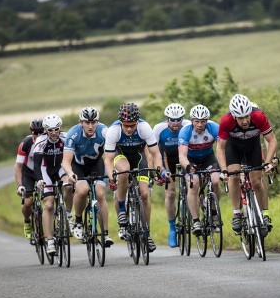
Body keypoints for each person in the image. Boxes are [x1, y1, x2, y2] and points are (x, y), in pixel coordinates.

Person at [103, 102, 169, 252]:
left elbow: (156, 154)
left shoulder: (144, 128)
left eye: (132, 125)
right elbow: (107, 159)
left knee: (144, 195)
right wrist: (111, 177)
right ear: (121, 123)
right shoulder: (113, 131)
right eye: (126, 125)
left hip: (139, 157)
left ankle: (147, 233)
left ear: (137, 122)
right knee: (124, 170)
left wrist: (158, 171)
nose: (129, 128)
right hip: (120, 155)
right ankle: (121, 208)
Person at [216, 94, 278, 234]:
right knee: (235, 176)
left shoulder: (258, 116)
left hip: (252, 146)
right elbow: (220, 147)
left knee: (256, 181)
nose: (244, 121)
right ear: (233, 116)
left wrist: (268, 163)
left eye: (246, 116)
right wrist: (224, 170)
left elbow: (272, 140)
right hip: (234, 147)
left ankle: (263, 214)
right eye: (240, 117)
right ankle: (237, 213)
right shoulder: (226, 120)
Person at [62, 107, 114, 247]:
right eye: (87, 122)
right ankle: (78, 222)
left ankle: (105, 233)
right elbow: (66, 161)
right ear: (81, 122)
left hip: (95, 164)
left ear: (97, 122)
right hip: (77, 165)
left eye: (94, 122)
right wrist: (69, 173)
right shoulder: (73, 133)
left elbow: (113, 153)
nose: (90, 126)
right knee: (83, 190)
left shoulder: (104, 131)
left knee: (100, 194)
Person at [178, 104, 221, 236]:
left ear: (207, 121)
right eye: (196, 121)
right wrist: (188, 166)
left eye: (203, 121)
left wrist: (224, 168)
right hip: (191, 161)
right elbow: (182, 156)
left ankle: (214, 213)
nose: (200, 125)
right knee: (194, 183)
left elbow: (221, 149)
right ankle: (196, 221)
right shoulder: (185, 131)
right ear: (192, 121)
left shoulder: (214, 128)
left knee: (215, 181)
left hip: (208, 158)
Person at [34, 113, 73, 255]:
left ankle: (68, 215)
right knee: (49, 204)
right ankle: (50, 241)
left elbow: (72, 158)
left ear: (60, 127)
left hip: (61, 168)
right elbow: (37, 164)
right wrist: (39, 180)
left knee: (68, 186)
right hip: (46, 170)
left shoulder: (66, 137)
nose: (54, 132)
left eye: (56, 129)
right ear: (45, 130)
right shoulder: (40, 141)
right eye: (50, 130)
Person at [152, 103, 190, 247]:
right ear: (166, 119)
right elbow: (153, 153)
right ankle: (172, 228)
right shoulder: (158, 129)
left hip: (184, 156)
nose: (175, 122)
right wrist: (157, 172)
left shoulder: (187, 125)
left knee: (193, 183)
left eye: (178, 119)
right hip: (167, 159)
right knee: (171, 193)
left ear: (183, 118)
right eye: (172, 119)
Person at [14, 118, 44, 239]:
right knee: (28, 202)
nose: (38, 135)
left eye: (41, 132)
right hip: (28, 173)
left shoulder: (48, 141)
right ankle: (27, 222)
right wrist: (20, 185)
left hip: (43, 171)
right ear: (32, 133)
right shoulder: (25, 144)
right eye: (35, 133)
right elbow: (18, 166)